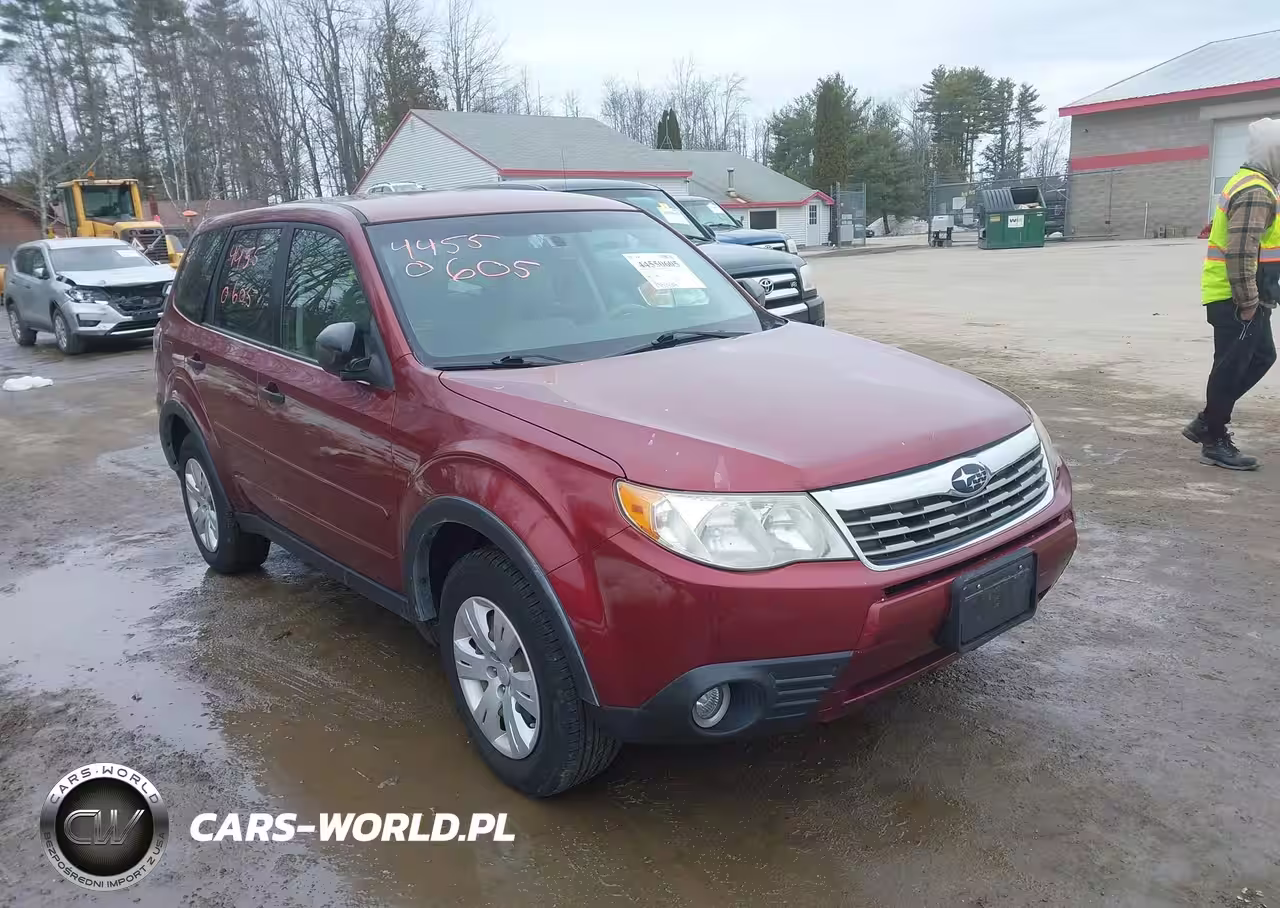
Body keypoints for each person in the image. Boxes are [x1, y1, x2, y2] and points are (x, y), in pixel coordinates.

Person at [1184, 117, 1280, 469]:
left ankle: (1207, 421)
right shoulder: (1256, 191)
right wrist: (1248, 301)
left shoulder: (1259, 185)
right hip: (1236, 298)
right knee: (1230, 367)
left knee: (1261, 357)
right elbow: (1240, 251)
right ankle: (1213, 439)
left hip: (1245, 295)